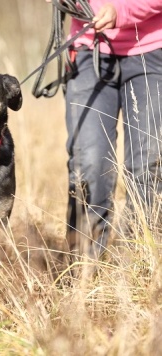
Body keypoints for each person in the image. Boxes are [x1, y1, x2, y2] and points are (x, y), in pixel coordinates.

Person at [47, 1, 162, 260]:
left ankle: (144, 263)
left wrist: (121, 12)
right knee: (89, 163)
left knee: (149, 164)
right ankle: (83, 268)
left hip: (153, 49)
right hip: (88, 47)